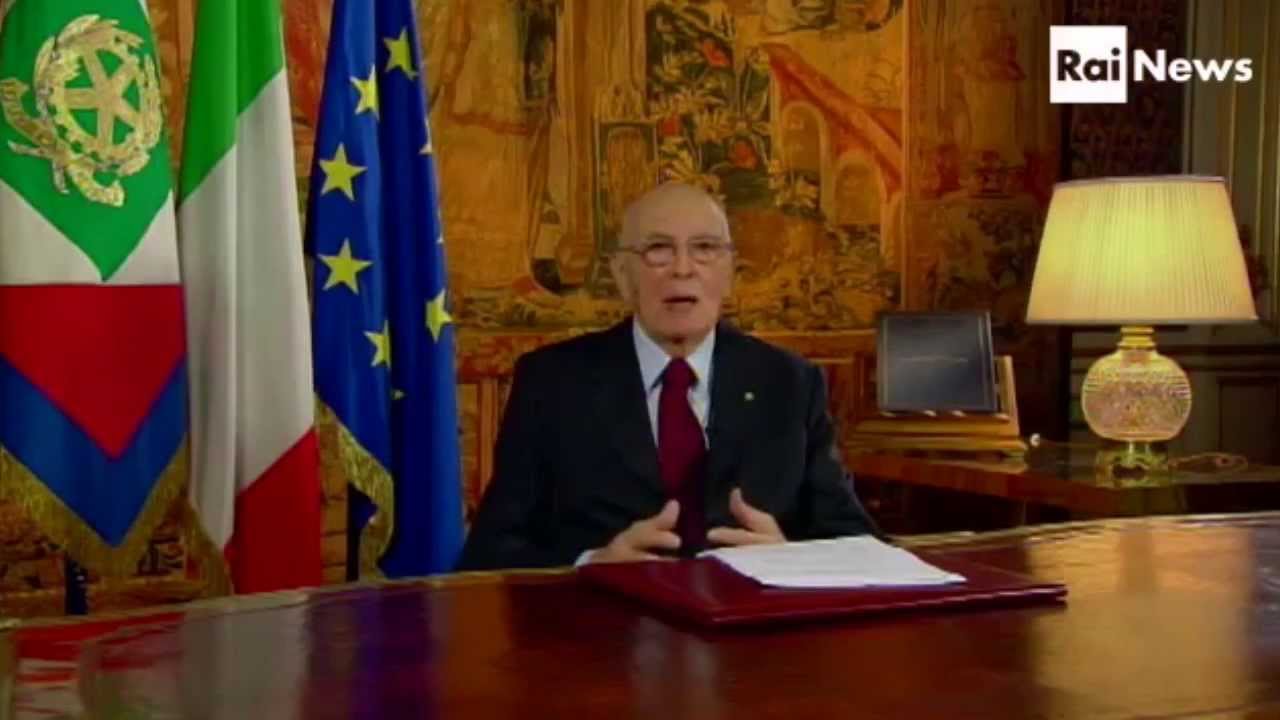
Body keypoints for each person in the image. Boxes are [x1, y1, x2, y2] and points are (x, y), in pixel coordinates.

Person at [457, 182, 877, 570]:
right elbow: (490, 552)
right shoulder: (552, 383)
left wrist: (788, 559)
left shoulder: (789, 383)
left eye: (704, 248)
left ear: (730, 272)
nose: (682, 268)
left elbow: (857, 544)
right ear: (622, 275)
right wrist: (591, 565)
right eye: (658, 249)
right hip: (603, 622)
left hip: (747, 623)